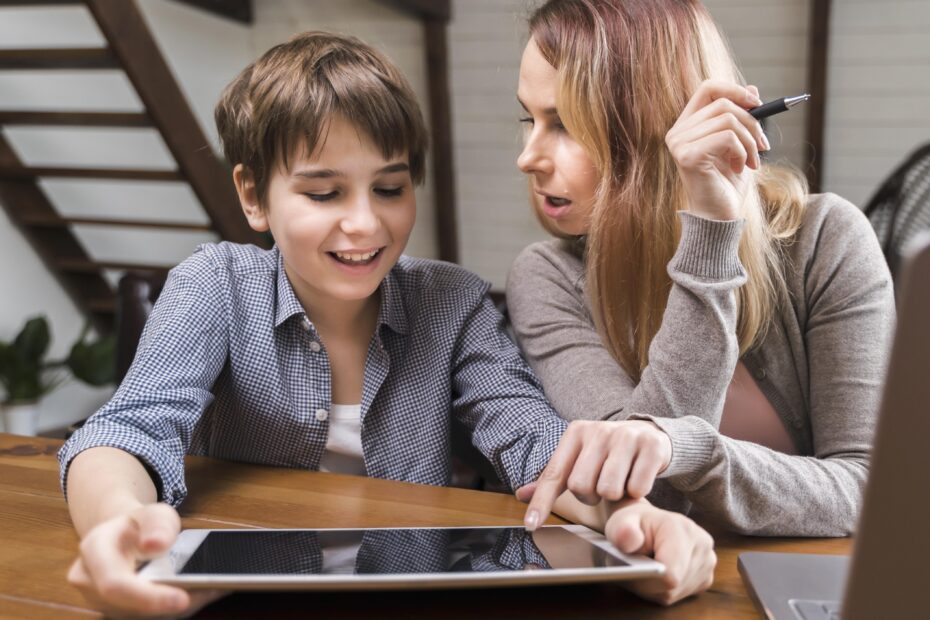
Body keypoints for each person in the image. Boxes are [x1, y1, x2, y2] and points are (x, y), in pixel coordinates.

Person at [58, 31, 715, 617]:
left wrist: (635, 523)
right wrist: (118, 524)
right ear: (254, 196)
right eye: (324, 193)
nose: (366, 224)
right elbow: (127, 429)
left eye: (390, 188)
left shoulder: (452, 303)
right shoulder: (216, 285)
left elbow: (533, 440)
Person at [507, 0, 895, 537]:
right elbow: (644, 489)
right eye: (531, 118)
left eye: (567, 125)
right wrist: (709, 240)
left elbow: (869, 489)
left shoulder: (825, 239)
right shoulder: (548, 277)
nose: (528, 157)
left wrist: (685, 448)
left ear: (658, 126)